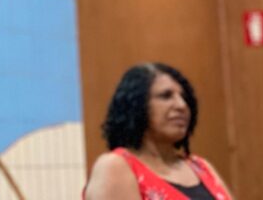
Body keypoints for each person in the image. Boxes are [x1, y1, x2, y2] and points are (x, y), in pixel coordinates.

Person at [84, 63, 234, 200]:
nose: (181, 105)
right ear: (137, 106)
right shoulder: (116, 167)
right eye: (166, 96)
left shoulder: (201, 166)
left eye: (184, 97)